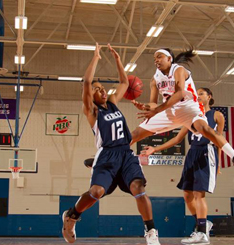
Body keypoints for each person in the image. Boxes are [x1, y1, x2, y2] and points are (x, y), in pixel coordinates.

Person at [61, 44, 160, 245]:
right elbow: (87, 82)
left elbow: (124, 81)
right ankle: (71, 216)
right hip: (106, 155)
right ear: (92, 95)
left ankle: (151, 231)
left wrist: (117, 60)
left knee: (138, 187)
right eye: (97, 90)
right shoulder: (92, 111)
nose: (102, 91)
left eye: (103, 88)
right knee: (96, 192)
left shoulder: (113, 101)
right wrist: (96, 57)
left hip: (126, 153)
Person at [129, 48, 234, 174]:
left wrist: (156, 110)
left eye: (159, 56)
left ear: (169, 59)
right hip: (169, 110)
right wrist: (147, 107)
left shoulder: (178, 70)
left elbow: (179, 93)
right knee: (134, 135)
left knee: (205, 129)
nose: (156, 60)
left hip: (189, 108)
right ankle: (115, 158)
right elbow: (154, 103)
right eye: (155, 58)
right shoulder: (155, 79)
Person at [140, 87, 221, 244]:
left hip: (206, 152)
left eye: (202, 94)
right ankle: (202, 224)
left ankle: (202, 232)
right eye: (197, 94)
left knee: (199, 194)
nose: (198, 96)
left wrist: (218, 163)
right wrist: (155, 149)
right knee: (187, 195)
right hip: (192, 154)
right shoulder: (191, 117)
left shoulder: (216, 115)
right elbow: (176, 140)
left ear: (209, 97)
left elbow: (220, 140)